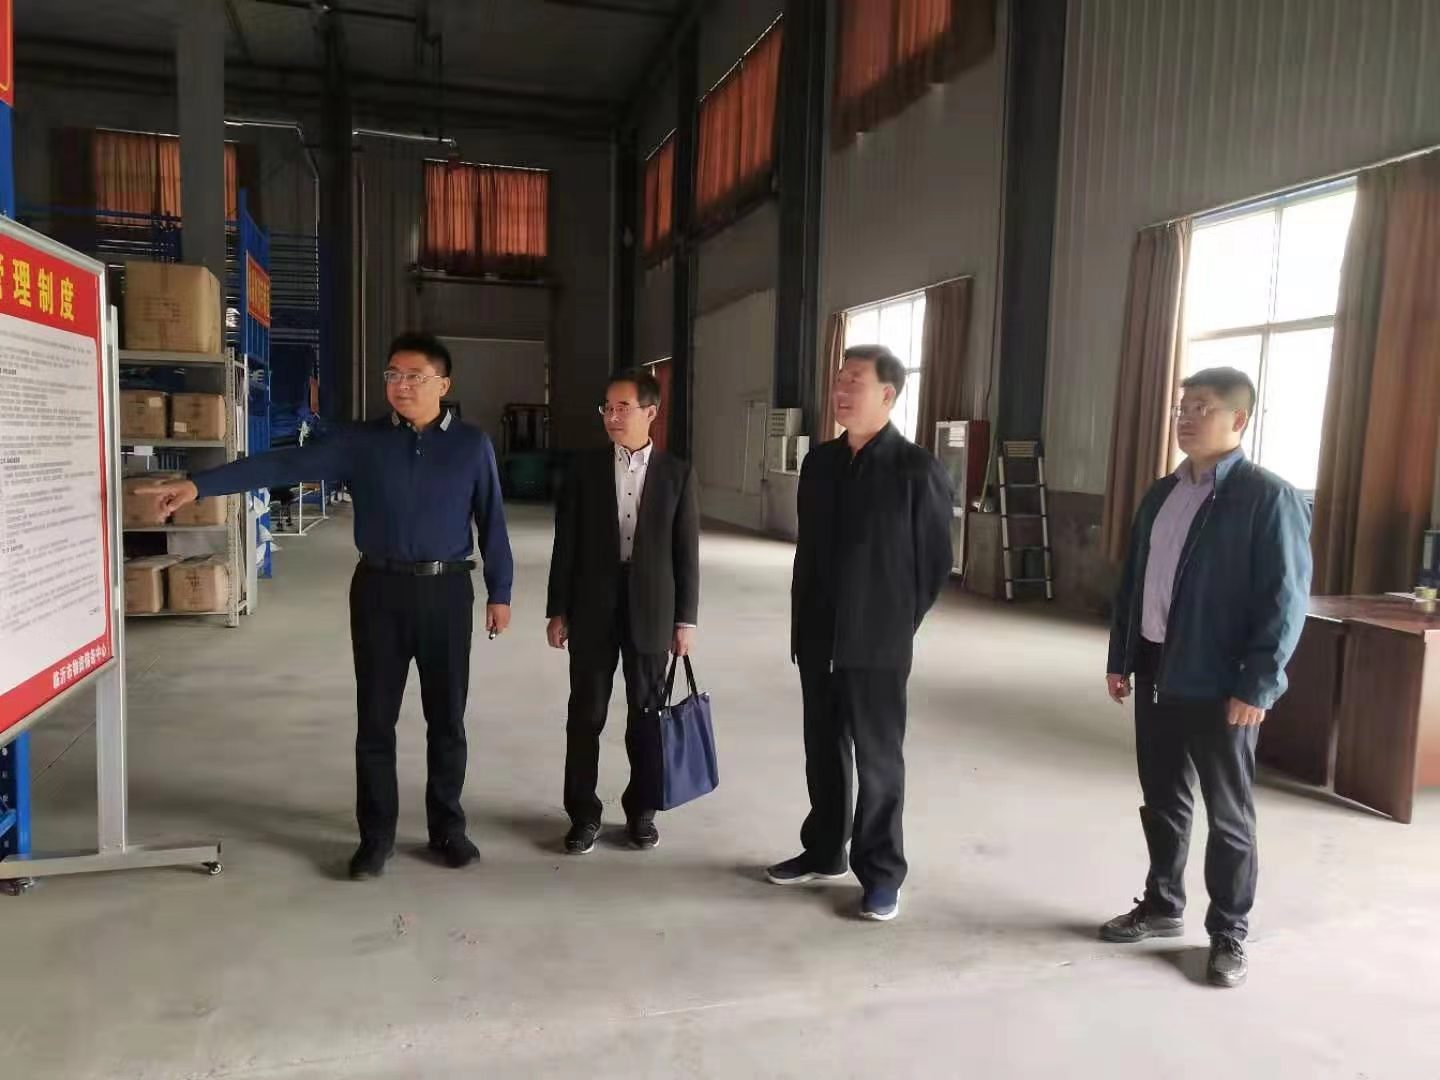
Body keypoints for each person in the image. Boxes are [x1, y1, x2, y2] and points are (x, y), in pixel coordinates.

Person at [138, 333, 514, 881]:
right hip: (378, 592)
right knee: (376, 721)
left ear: (443, 384)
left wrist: (500, 592)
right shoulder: (362, 442)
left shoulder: (472, 446)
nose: (401, 386)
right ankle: (376, 837)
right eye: (392, 375)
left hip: (446, 592)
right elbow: (283, 465)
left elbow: (492, 520)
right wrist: (200, 485)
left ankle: (447, 828)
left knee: (447, 720)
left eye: (414, 376)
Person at [1102, 366, 1311, 988]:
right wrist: (1120, 656)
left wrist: (1259, 684)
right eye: (1182, 408)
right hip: (1157, 670)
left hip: (1222, 684)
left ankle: (1229, 931)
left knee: (1228, 813)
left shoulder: (1268, 497)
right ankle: (1162, 904)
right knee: (1163, 799)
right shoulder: (1161, 494)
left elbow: (1285, 601)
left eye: (1202, 408)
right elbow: (1135, 583)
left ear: (1238, 419)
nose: (1186, 418)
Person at [767, 345, 953, 922]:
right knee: (823, 750)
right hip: (818, 637)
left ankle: (881, 873)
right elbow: (808, 552)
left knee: (877, 760)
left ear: (888, 395)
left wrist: (893, 623)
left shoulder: (915, 470)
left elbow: (934, 566)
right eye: (839, 379)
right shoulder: (820, 464)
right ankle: (825, 850)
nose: (841, 390)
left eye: (856, 381)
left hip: (877, 645)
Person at [545, 369, 700, 855]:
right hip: (592, 606)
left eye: (622, 408)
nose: (612, 416)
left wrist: (685, 620)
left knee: (646, 716)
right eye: (607, 408)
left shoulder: (677, 474)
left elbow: (686, 553)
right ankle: (583, 813)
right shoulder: (585, 469)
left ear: (650, 413)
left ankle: (641, 811)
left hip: (652, 611)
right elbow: (566, 543)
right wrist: (558, 609)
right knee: (585, 714)